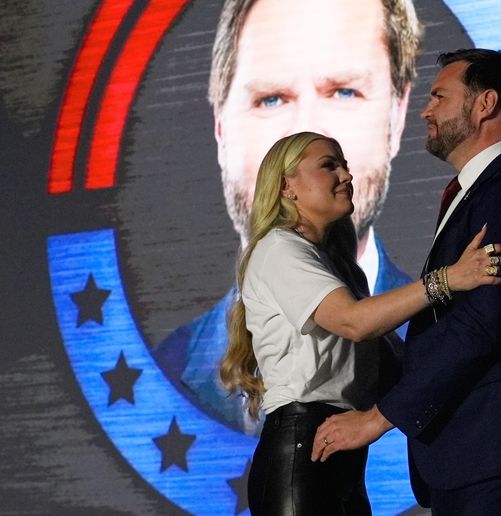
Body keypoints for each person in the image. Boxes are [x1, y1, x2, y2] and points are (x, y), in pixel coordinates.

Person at [311, 49, 501, 515]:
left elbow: (480, 326)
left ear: (485, 104)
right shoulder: (479, 191)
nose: (426, 110)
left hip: (496, 453)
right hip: (471, 453)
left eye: (439, 96)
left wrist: (377, 419)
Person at [152, 0, 422, 433]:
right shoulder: (169, 365)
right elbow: (353, 321)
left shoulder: (425, 330)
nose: (307, 128)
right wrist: (447, 281)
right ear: (220, 126)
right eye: (271, 98)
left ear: (398, 111)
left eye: (343, 92)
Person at [221, 131, 501, 514]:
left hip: (342, 458)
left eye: (344, 165)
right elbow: (354, 322)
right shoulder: (279, 248)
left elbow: (396, 367)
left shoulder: (341, 269)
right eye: (329, 166)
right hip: (300, 455)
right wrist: (448, 279)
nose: (346, 175)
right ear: (285, 187)